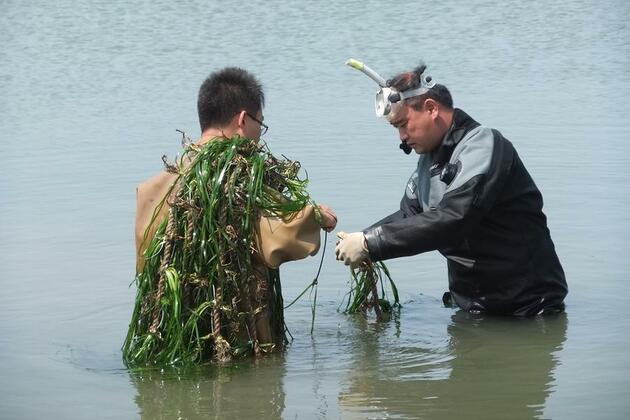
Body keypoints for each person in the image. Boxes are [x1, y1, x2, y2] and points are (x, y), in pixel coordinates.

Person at [336, 63, 567, 316]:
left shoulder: (483, 146)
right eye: (396, 128)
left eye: (403, 124)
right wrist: (360, 237)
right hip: (474, 308)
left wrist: (371, 243)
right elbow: (410, 217)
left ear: (431, 108)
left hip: (530, 309)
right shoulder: (429, 162)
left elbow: (454, 218)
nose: (401, 136)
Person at [133, 67, 337, 355]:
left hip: (174, 336)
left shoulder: (152, 189)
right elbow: (280, 237)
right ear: (243, 119)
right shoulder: (239, 180)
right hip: (235, 339)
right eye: (260, 124)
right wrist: (317, 216)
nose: (258, 136)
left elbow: (146, 267)